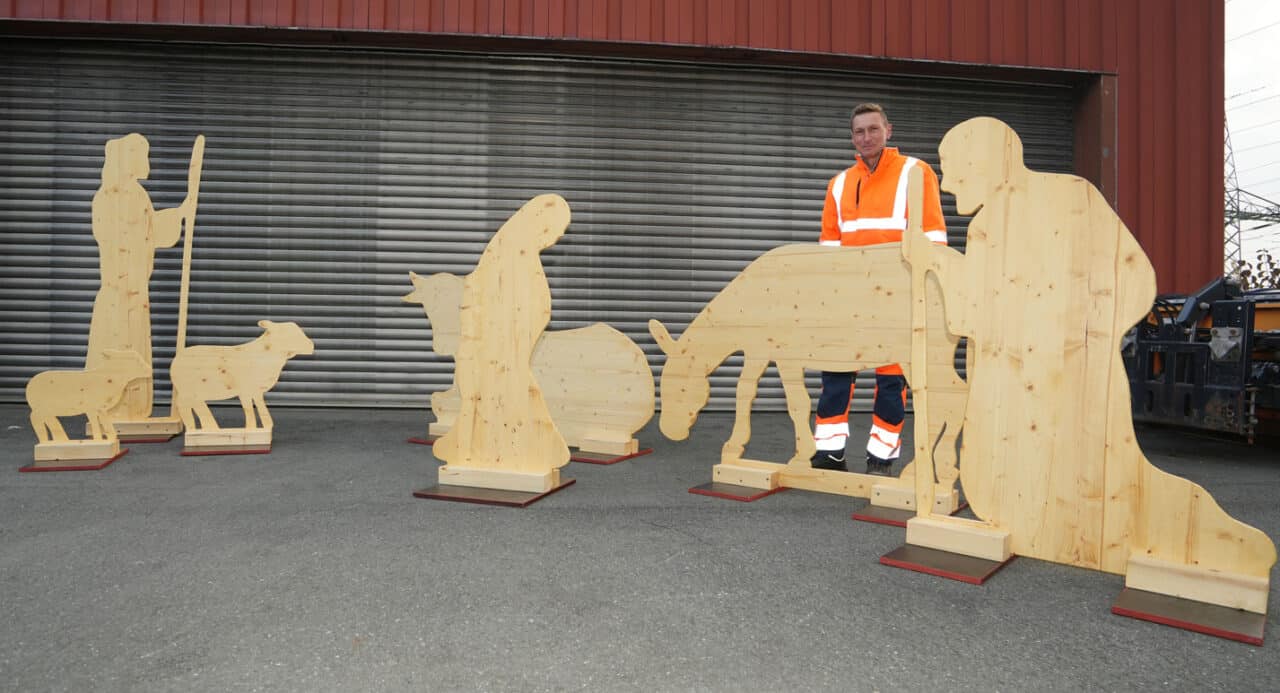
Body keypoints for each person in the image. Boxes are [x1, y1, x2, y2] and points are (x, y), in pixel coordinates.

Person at [811, 103, 948, 475]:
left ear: (889, 131)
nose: (866, 137)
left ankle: (881, 458)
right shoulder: (839, 184)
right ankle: (830, 453)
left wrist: (927, 294)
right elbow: (830, 248)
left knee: (891, 380)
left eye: (873, 129)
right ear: (852, 137)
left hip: (898, 297)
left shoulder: (915, 173)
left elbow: (934, 239)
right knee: (836, 375)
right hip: (849, 299)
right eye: (859, 131)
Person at [86, 133, 195, 422]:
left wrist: (181, 213)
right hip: (118, 289)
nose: (146, 162)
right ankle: (109, 408)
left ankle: (135, 407)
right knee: (116, 342)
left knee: (135, 346)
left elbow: (149, 229)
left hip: (135, 289)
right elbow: (115, 238)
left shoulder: (137, 194)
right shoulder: (107, 197)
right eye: (142, 155)